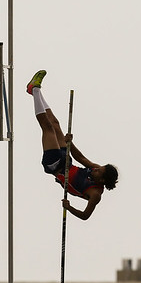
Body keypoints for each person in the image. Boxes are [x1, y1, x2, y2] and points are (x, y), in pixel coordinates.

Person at [26, 70, 118, 220]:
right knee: (55, 124)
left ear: (102, 180)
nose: (95, 169)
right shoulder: (96, 168)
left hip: (55, 166)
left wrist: (69, 208)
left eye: (98, 171)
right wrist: (70, 142)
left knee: (47, 127)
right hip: (66, 159)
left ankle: (35, 90)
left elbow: (85, 216)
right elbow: (80, 157)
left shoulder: (95, 194)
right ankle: (34, 90)